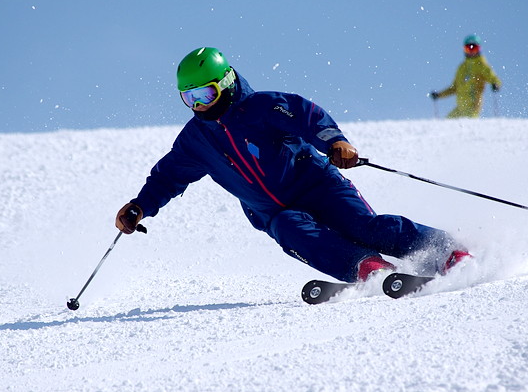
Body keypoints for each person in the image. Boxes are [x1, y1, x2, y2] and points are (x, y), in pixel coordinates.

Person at [115, 47, 470, 283]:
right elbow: (168, 177)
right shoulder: (196, 139)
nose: (198, 105)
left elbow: (307, 116)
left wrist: (335, 142)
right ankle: (370, 269)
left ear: (223, 84)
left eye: (204, 94)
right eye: (188, 98)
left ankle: (447, 252)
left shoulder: (262, 107)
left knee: (365, 227)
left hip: (319, 185)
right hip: (273, 210)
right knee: (290, 228)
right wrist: (140, 207)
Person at [430, 35, 502, 118]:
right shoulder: (462, 67)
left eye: (474, 48)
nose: (471, 52)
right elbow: (454, 88)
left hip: (473, 107)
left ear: (479, 49)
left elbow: (493, 78)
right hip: (460, 108)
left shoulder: (482, 65)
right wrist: (439, 95)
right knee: (446, 124)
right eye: (468, 48)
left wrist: (496, 84)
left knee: (468, 126)